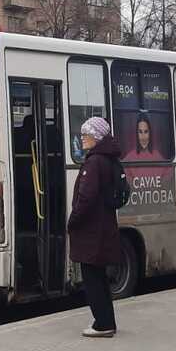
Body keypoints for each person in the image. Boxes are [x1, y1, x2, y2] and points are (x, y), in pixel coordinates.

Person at [67, 116, 122, 338]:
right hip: (103, 227)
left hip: (92, 231)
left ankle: (103, 324)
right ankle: (106, 321)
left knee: (93, 280)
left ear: (97, 137)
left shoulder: (94, 161)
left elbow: (86, 198)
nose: (82, 139)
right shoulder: (109, 159)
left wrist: (73, 221)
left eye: (85, 135)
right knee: (99, 278)